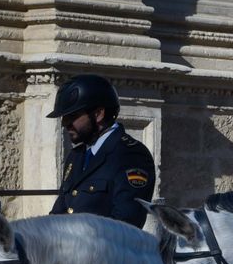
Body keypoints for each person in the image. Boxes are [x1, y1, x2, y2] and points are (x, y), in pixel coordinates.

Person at [48, 74, 156, 226]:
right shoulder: (76, 156)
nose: (65, 124)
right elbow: (59, 213)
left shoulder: (131, 155)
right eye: (64, 118)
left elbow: (126, 224)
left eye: (72, 116)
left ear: (98, 114)